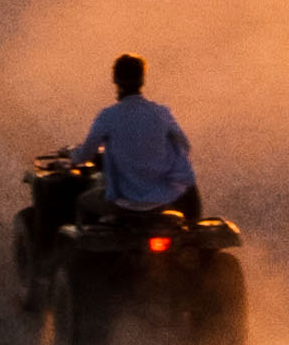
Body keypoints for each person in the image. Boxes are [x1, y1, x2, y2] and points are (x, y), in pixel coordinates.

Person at [69, 52, 203, 224]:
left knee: (82, 202)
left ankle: (86, 250)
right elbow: (184, 145)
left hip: (122, 202)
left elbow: (84, 155)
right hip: (162, 199)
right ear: (142, 80)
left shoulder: (108, 116)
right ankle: (194, 242)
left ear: (115, 80)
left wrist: (72, 155)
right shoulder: (161, 113)